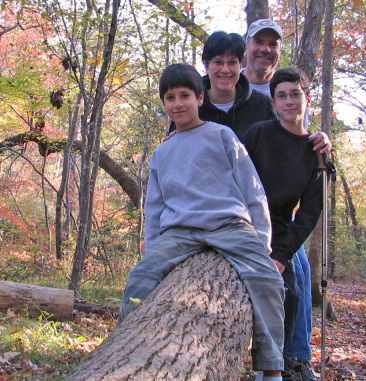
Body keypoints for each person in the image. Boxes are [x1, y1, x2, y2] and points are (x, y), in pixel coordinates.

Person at [119, 63, 286, 380]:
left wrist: (262, 241)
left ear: (199, 97)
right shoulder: (162, 154)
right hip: (180, 231)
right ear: (164, 104)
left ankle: (271, 365)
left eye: (185, 95)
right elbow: (155, 207)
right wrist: (153, 251)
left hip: (230, 226)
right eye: (170, 97)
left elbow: (252, 188)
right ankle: (125, 345)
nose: (178, 103)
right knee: (140, 277)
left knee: (267, 279)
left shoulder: (222, 135)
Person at [241, 67, 327, 381]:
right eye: (281, 96)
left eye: (295, 94)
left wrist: (282, 254)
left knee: (290, 292)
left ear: (307, 98)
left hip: (279, 228)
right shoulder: (258, 133)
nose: (289, 101)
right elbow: (233, 175)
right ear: (274, 103)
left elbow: (309, 212)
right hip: (244, 219)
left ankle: (275, 367)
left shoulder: (316, 151)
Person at [168, 31, 277, 139]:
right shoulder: (191, 107)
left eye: (232, 62)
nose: (225, 70)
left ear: (240, 65)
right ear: (206, 65)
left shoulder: (262, 104)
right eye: (218, 62)